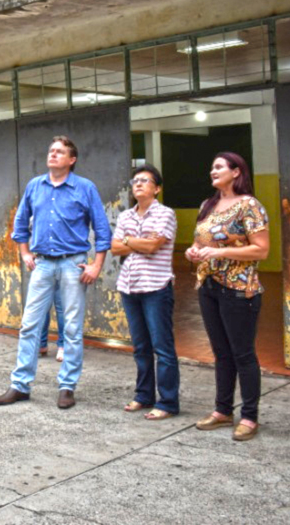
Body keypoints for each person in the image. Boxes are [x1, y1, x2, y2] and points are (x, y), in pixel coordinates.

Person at [0, 135, 112, 409]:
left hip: (73, 264)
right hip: (42, 264)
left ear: (72, 160)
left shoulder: (85, 188)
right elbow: (20, 222)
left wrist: (96, 265)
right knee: (29, 325)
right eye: (51, 150)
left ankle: (67, 387)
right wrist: (24, 253)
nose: (53, 154)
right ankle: (20, 385)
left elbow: (102, 229)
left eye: (59, 152)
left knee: (71, 328)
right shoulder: (35, 186)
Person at [186, 152, 269, 442]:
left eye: (219, 166)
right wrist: (193, 252)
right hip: (209, 287)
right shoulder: (208, 205)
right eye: (211, 167)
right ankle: (222, 411)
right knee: (221, 353)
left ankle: (249, 416)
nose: (213, 171)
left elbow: (261, 249)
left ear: (236, 172)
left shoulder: (249, 206)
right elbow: (200, 242)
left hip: (239, 289)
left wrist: (221, 252)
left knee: (243, 354)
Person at [110, 164, 179, 420]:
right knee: (140, 347)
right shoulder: (126, 215)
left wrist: (129, 241)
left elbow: (152, 246)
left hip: (156, 287)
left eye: (145, 180)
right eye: (135, 180)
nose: (138, 184)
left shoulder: (166, 214)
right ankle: (144, 395)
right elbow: (115, 248)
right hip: (129, 286)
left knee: (162, 346)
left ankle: (168, 401)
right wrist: (133, 242)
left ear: (157, 188)